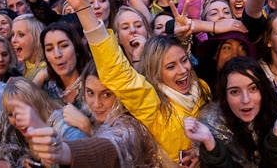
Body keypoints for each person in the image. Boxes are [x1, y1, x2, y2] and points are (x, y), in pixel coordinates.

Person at [54, 0, 212, 165]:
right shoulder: (155, 107)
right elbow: (117, 71)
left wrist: (205, 151)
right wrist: (84, 8)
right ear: (156, 73)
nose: (183, 70)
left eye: (184, 61)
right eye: (171, 66)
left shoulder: (202, 89)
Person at [27, 60, 174, 167]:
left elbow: (109, 147)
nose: (97, 103)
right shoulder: (88, 115)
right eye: (90, 93)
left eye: (106, 95)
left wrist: (65, 151)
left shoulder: (129, 125)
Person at [185, 56, 277, 168]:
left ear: (262, 90)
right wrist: (211, 144)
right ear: (225, 97)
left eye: (253, 88)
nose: (246, 100)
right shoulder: (213, 124)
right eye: (235, 92)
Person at [1, 76, 88, 167]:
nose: (17, 120)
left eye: (21, 111)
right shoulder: (28, 132)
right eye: (10, 114)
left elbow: (84, 159)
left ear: (36, 102)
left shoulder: (64, 126)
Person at [40, 21, 90, 105]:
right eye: (49, 49)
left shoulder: (93, 83)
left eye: (64, 46)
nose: (57, 54)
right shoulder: (46, 90)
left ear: (76, 48)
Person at [11, 13, 47, 86]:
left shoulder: (46, 72)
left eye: (21, 35)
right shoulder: (27, 65)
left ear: (36, 38)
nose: (13, 40)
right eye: (12, 34)